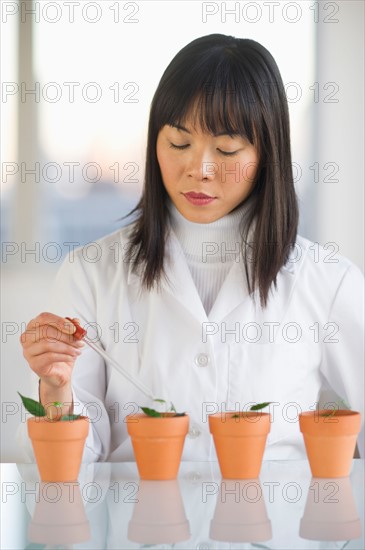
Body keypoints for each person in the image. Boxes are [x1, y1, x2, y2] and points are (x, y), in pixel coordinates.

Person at [20, 34, 364, 462]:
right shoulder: (91, 273)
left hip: (277, 528)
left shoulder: (329, 283)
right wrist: (56, 389)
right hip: (136, 527)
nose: (199, 170)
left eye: (226, 149)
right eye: (179, 144)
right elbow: (75, 467)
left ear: (267, 155)